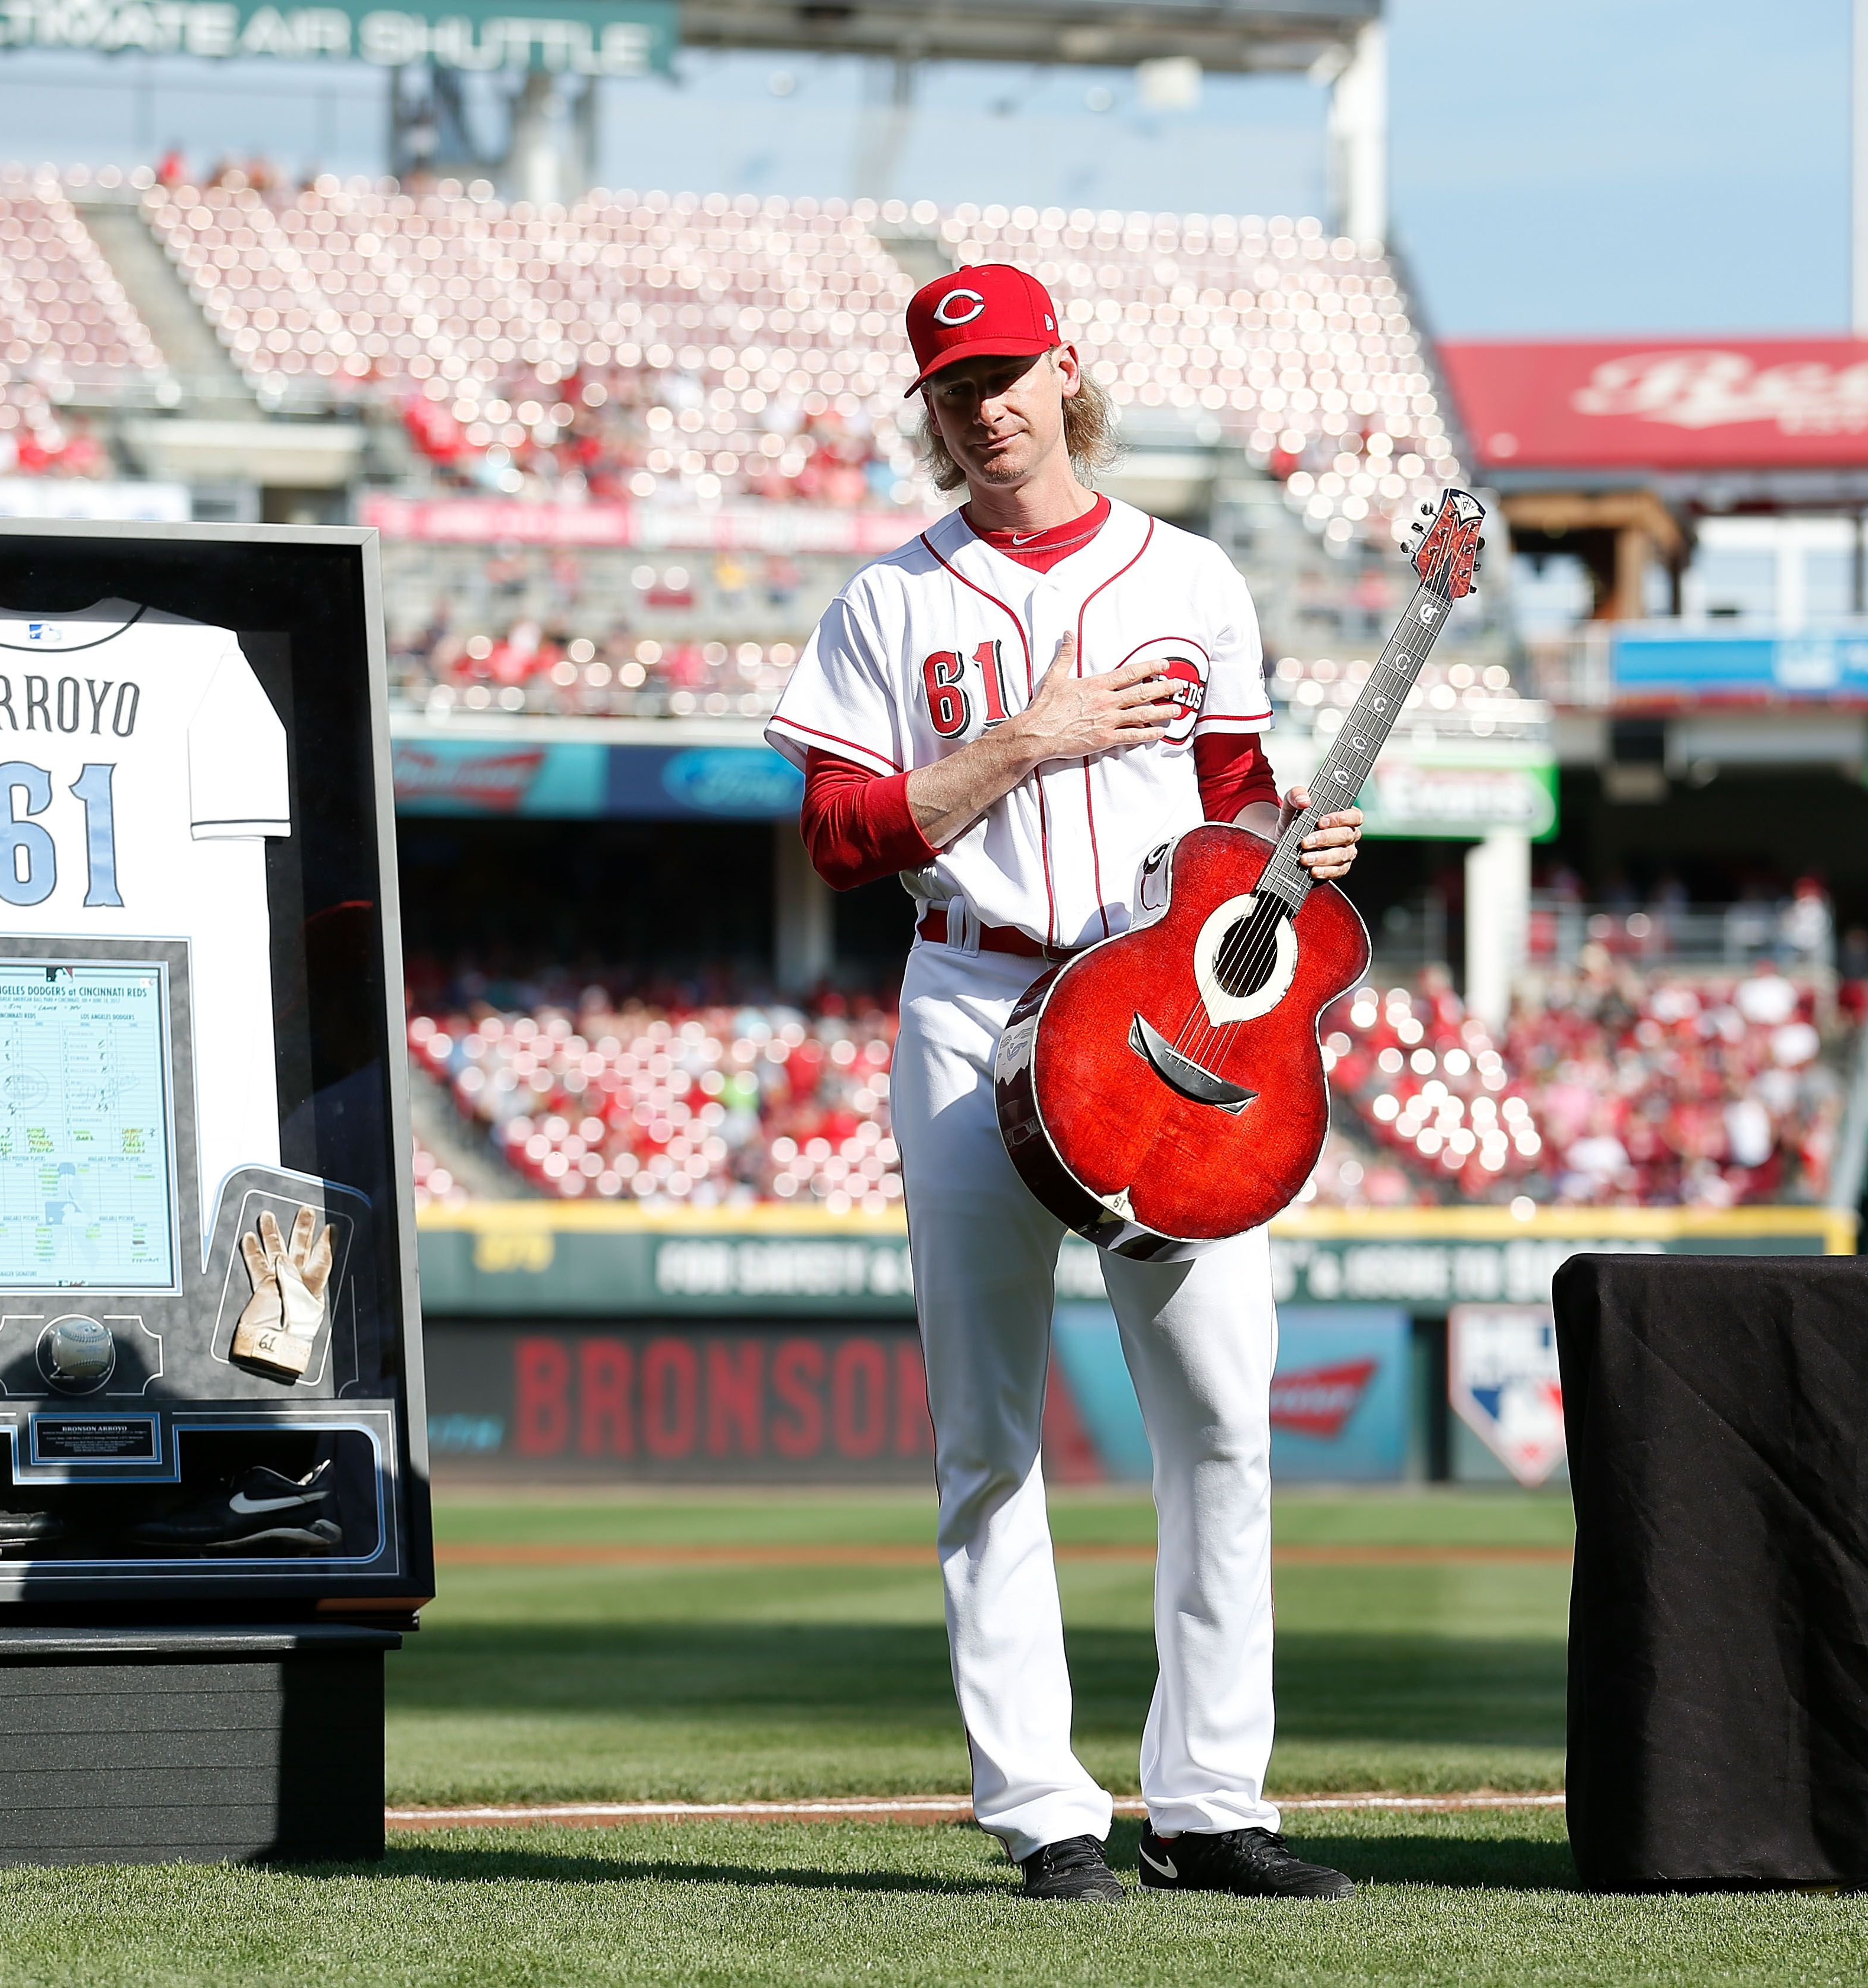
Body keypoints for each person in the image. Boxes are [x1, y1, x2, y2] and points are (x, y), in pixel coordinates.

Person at [765, 264, 1367, 1905]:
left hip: (1165, 1019)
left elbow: (1233, 805)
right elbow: (833, 838)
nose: (986, 407)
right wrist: (1024, 743)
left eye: (1007, 372)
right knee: (987, 1434)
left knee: (1221, 1418)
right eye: (954, 386)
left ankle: (1210, 1799)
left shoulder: (1191, 575)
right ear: (931, 409)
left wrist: (1291, 849)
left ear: (1062, 370)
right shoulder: (890, 602)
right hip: (973, 998)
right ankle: (1044, 1807)